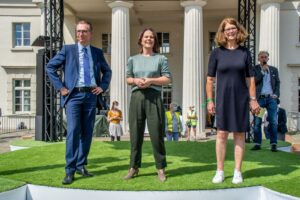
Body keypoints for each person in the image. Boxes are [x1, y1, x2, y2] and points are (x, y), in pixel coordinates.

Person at [46, 20, 112, 185]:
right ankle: (70, 170)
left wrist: (102, 87)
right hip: (73, 96)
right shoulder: (68, 50)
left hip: (91, 96)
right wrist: (60, 87)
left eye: (85, 31)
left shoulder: (97, 52)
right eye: (79, 31)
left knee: (87, 133)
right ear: (76, 33)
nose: (81, 34)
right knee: (73, 131)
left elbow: (107, 71)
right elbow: (50, 67)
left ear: (90, 33)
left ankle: (81, 165)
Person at [206, 17, 260, 184]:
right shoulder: (216, 53)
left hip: (241, 98)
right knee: (221, 134)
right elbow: (209, 80)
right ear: (223, 32)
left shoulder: (245, 53)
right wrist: (210, 100)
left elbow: (250, 79)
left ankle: (237, 171)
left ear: (238, 31)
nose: (230, 31)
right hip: (222, 98)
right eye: (227, 29)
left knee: (239, 134)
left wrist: (253, 99)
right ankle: (220, 171)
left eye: (233, 28)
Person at [124, 28, 172, 182]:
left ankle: (160, 168)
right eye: (146, 36)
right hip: (137, 96)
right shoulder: (133, 59)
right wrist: (136, 81)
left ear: (154, 41)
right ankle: (134, 167)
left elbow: (167, 79)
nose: (149, 39)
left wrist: (151, 80)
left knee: (157, 134)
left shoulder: (161, 59)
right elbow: (128, 79)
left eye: (152, 37)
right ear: (141, 39)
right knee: (135, 135)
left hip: (154, 97)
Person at [251, 51, 280, 152]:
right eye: (261, 57)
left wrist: (276, 94)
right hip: (260, 99)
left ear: (268, 58)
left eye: (265, 57)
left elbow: (277, 83)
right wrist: (262, 72)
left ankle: (273, 143)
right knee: (257, 122)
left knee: (273, 122)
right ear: (258, 59)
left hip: (271, 99)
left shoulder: (273, 70)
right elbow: (253, 82)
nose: (264, 59)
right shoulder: (255, 69)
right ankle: (257, 143)